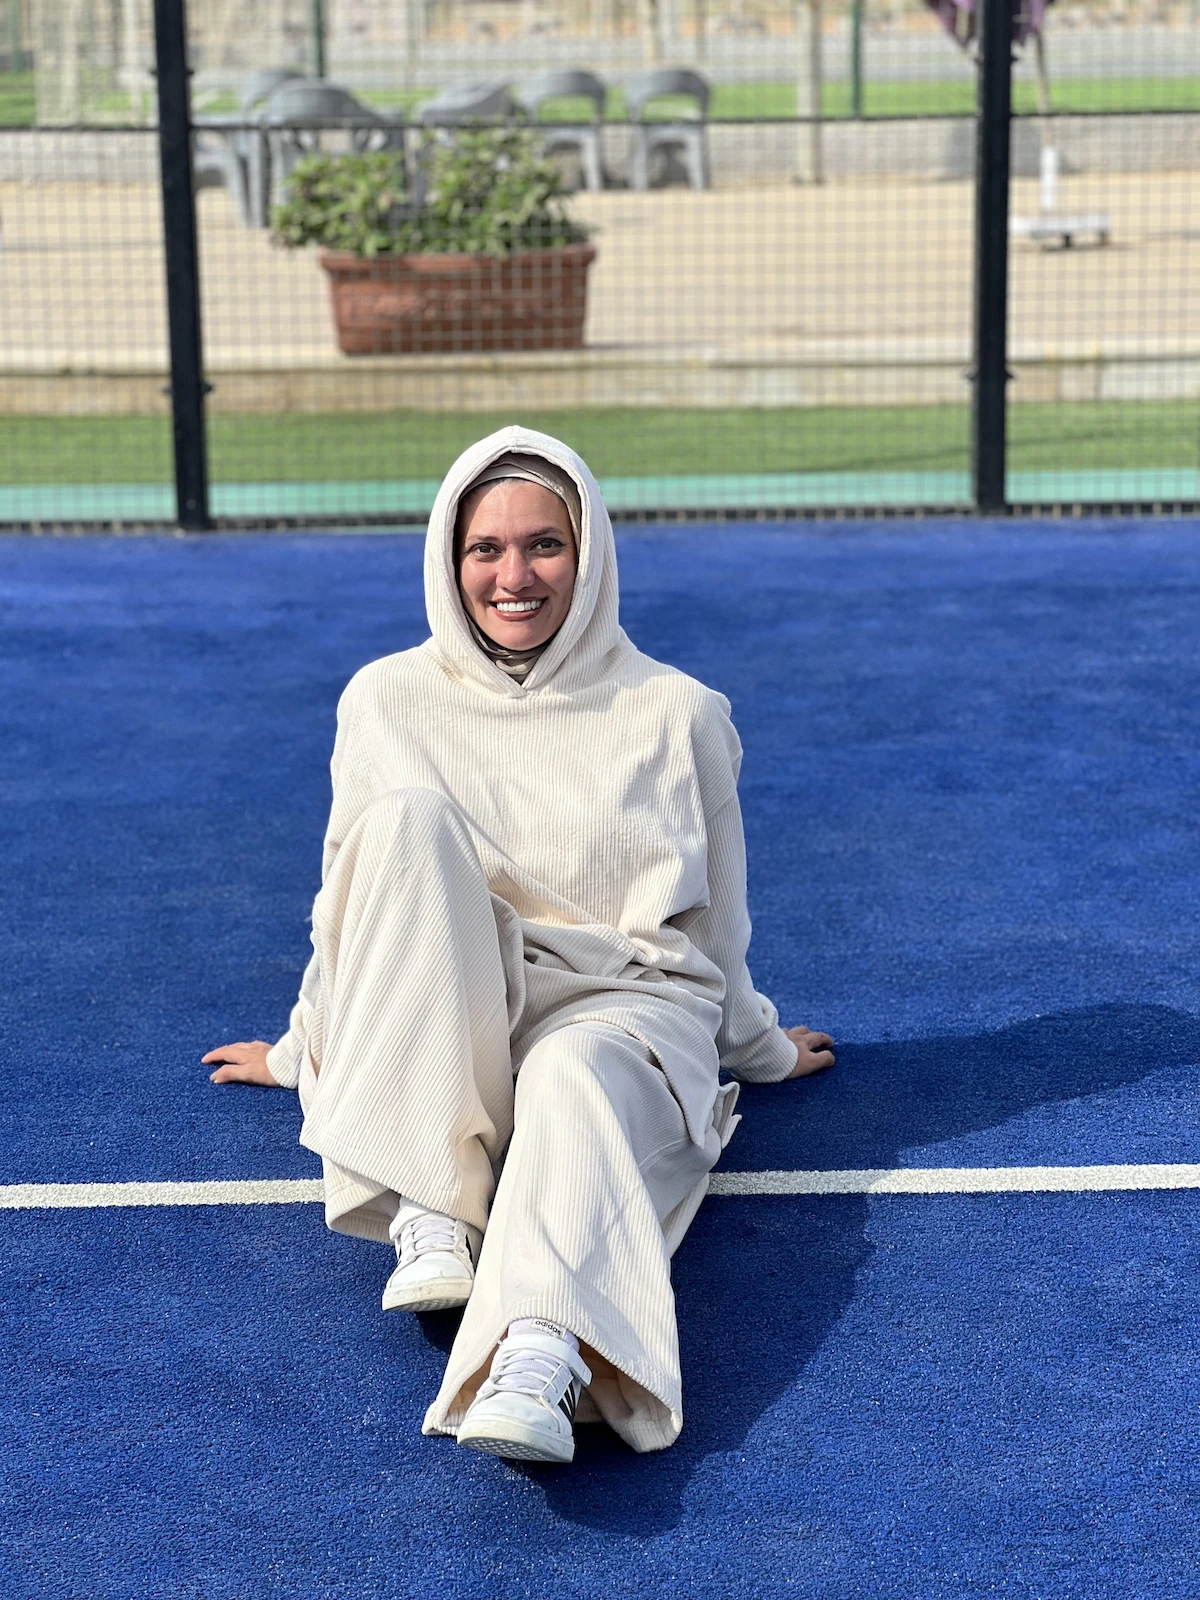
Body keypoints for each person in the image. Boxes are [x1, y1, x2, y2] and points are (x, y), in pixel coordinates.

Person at [204, 425, 834, 1465]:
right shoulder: (383, 699)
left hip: (625, 1004)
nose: (515, 576)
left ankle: (539, 1354)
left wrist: (758, 1050)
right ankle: (430, 1205)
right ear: (448, 561)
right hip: (462, 1004)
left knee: (573, 1074)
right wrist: (299, 1044)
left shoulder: (680, 713)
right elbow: (351, 898)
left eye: (545, 544)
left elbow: (717, 924)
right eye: (485, 548)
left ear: (590, 556)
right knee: (407, 822)